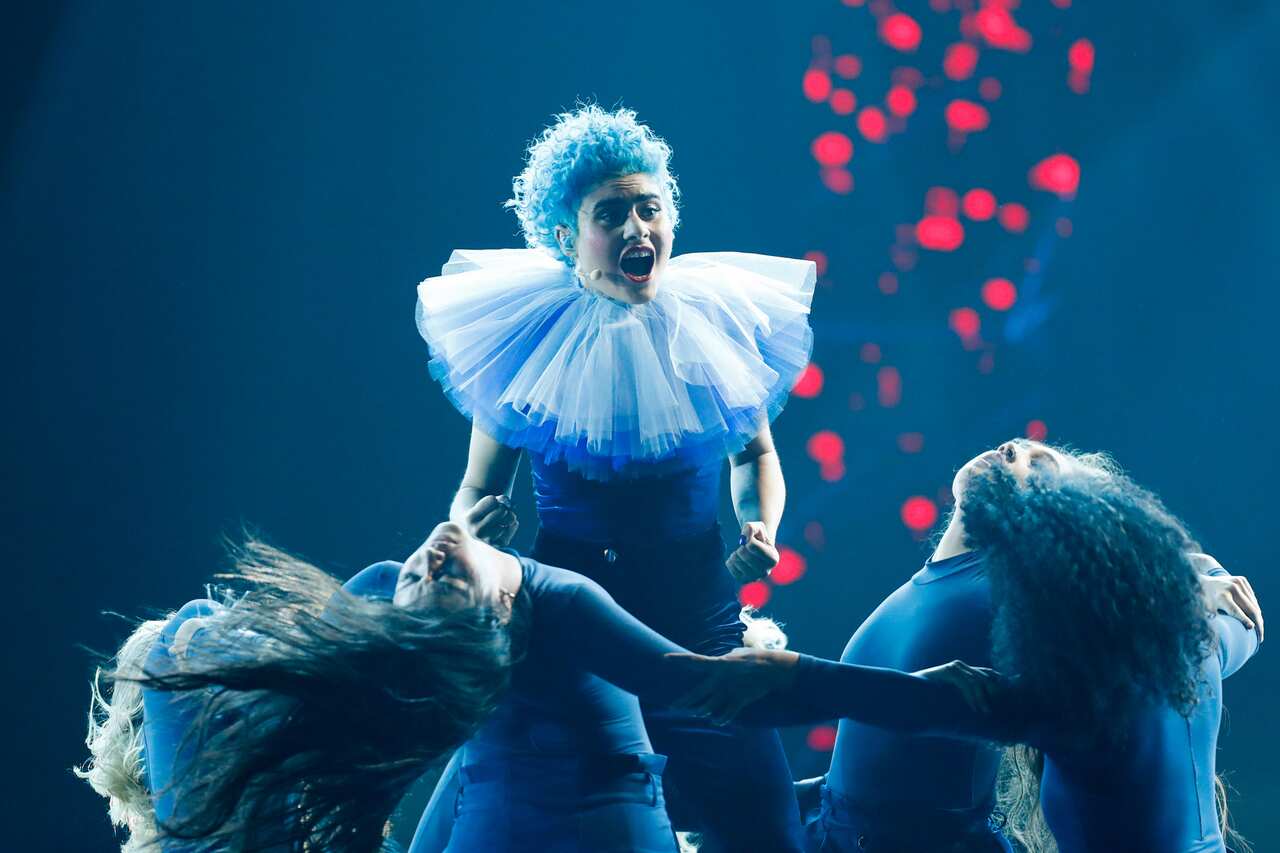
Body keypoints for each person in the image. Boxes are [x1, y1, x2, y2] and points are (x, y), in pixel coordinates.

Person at [414, 104, 815, 850]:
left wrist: (762, 523)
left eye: (649, 209)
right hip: (572, 643)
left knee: (767, 828)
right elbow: (473, 490)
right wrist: (474, 526)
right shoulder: (526, 343)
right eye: (612, 214)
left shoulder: (712, 324)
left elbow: (754, 454)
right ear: (566, 237)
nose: (637, 229)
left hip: (700, 623)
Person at [675, 440, 1263, 853]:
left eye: (1041, 474)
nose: (1017, 448)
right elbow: (1245, 623)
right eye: (1030, 450)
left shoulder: (1031, 635)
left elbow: (896, 702)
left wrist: (1179, 579)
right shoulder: (1183, 646)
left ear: (1062, 547)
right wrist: (1185, 580)